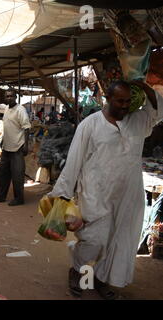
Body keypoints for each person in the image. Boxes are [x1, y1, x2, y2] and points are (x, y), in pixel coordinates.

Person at [48, 80, 163, 299]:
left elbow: (158, 109)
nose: (125, 106)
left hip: (128, 194)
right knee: (94, 239)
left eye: (129, 101)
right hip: (96, 193)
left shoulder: (138, 120)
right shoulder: (90, 125)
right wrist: (61, 197)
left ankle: (101, 280)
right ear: (107, 98)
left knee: (119, 241)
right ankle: (78, 272)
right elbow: (73, 162)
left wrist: (144, 84)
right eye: (120, 100)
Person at [0, 90, 31, 206]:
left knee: (17, 175)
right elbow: (8, 127)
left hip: (17, 148)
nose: (9, 98)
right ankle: (0, 196)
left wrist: (26, 145)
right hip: (7, 147)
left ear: (15, 97)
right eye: (7, 96)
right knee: (3, 174)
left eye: (11, 96)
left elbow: (26, 128)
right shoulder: (6, 109)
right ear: (5, 98)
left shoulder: (20, 110)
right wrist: (2, 141)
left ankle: (19, 199)